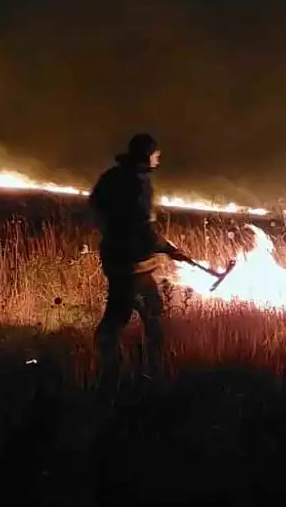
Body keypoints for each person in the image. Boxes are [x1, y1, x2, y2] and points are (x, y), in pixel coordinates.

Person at [88, 133, 180, 398]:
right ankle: (141, 372)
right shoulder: (140, 185)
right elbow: (144, 228)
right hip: (134, 265)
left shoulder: (111, 177)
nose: (159, 158)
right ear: (146, 156)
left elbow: (95, 205)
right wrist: (168, 248)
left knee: (130, 311)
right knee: (145, 316)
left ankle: (117, 367)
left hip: (116, 259)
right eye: (156, 154)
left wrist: (109, 230)